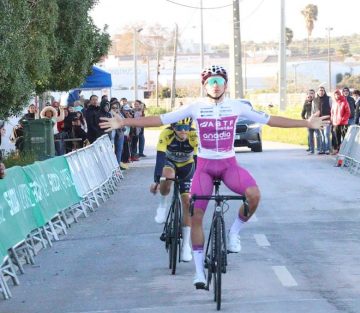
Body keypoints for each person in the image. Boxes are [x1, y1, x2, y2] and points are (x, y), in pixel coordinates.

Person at [100, 65, 329, 288]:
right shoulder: (195, 108)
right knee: (196, 213)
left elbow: (271, 119)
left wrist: (306, 123)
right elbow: (160, 120)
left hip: (229, 165)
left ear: (226, 85)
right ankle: (199, 272)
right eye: (211, 82)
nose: (216, 86)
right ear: (204, 86)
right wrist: (125, 121)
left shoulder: (237, 106)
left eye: (219, 81)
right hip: (205, 168)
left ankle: (234, 233)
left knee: (254, 195)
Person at [150, 117, 198, 262]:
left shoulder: (195, 135)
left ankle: (185, 246)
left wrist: (198, 181)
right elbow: (160, 158)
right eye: (179, 128)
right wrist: (157, 181)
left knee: (187, 204)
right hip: (169, 163)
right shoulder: (166, 134)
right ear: (173, 128)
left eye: (186, 128)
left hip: (187, 167)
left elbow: (198, 160)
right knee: (168, 175)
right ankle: (163, 205)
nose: (183, 131)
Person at [313, 85, 332, 155]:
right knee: (321, 135)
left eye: (323, 90)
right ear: (318, 91)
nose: (321, 92)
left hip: (327, 119)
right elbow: (313, 110)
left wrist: (331, 119)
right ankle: (322, 149)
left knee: (326, 134)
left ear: (324, 91)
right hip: (318, 120)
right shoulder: (314, 100)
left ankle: (327, 149)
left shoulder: (329, 98)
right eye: (320, 90)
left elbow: (332, 109)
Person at [331, 89, 350, 153]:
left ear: (340, 94)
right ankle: (339, 150)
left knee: (345, 138)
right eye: (335, 94)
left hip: (343, 123)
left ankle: (346, 151)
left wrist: (343, 119)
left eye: (338, 94)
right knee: (337, 138)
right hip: (335, 123)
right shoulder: (334, 103)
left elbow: (348, 112)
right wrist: (332, 119)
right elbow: (332, 112)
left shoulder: (344, 102)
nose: (337, 95)